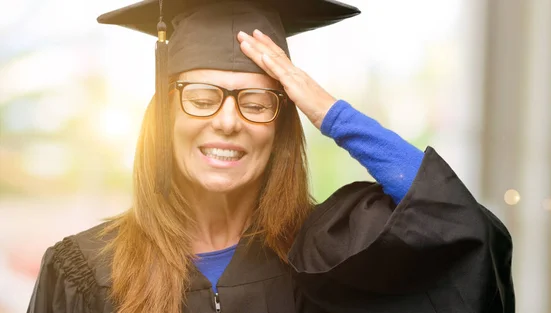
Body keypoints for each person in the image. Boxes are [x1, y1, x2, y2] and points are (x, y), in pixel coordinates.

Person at [27, 0, 515, 312]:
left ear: (281, 125)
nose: (227, 120)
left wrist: (333, 115)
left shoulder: (329, 261)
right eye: (201, 97)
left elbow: (461, 229)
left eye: (257, 102)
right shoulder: (87, 272)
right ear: (165, 115)